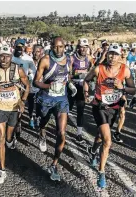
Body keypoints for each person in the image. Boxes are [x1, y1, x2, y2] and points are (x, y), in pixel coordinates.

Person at [83, 45, 136, 189]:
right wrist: (86, 94)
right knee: (107, 140)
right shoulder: (98, 69)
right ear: (107, 55)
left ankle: (93, 151)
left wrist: (122, 88)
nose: (112, 57)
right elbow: (86, 80)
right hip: (99, 106)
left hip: (114, 108)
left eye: (115, 55)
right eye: (110, 54)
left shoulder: (124, 70)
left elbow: (133, 89)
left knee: (100, 136)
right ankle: (101, 172)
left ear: (120, 56)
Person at [0, 46, 30, 184]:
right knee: (1, 138)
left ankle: (11, 139)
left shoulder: (18, 70)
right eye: (2, 56)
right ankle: (2, 170)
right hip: (0, 108)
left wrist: (23, 100)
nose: (4, 59)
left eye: (7, 56)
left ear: (11, 57)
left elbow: (27, 85)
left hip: (14, 107)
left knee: (9, 134)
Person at [33, 36, 77, 181]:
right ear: (51, 46)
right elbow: (36, 82)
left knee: (61, 132)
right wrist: (48, 86)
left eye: (61, 47)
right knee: (43, 122)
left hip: (61, 100)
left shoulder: (69, 59)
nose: (58, 49)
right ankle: (42, 133)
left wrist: (70, 85)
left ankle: (54, 164)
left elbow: (66, 76)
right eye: (55, 47)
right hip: (46, 98)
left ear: (65, 47)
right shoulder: (45, 60)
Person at [68, 38, 94, 143]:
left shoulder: (89, 58)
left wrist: (90, 80)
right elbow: (67, 74)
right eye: (81, 47)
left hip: (82, 88)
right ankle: (61, 130)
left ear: (88, 48)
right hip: (72, 87)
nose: (83, 49)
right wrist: (78, 74)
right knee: (67, 110)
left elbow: (92, 72)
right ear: (78, 47)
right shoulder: (72, 58)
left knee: (80, 111)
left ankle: (79, 134)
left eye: (85, 47)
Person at [12, 39, 36, 134]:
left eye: (21, 46)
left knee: (20, 105)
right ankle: (14, 123)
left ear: (24, 47)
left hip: (22, 86)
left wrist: (29, 77)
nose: (19, 48)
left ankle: (18, 122)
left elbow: (34, 70)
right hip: (11, 85)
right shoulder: (10, 57)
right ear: (14, 47)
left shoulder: (28, 58)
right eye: (17, 46)